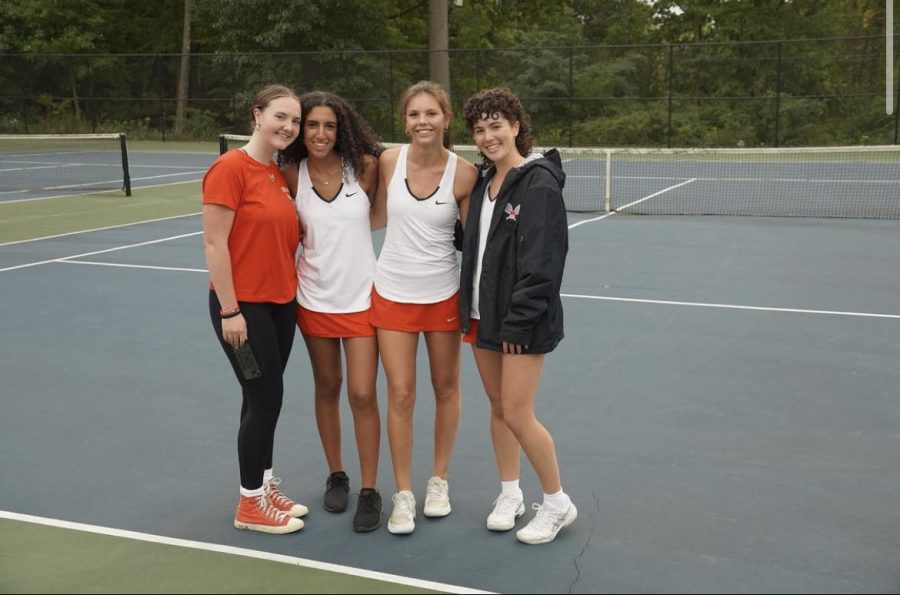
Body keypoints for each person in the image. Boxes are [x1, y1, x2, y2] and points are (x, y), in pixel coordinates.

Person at [459, 88, 576, 544]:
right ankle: (510, 493)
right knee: (498, 409)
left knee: (517, 412)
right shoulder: (484, 182)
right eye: (480, 128)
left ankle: (556, 503)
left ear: (515, 126)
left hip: (521, 321)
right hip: (481, 314)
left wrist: (519, 321)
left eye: (496, 125)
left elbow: (545, 262)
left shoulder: (539, 183)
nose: (488, 136)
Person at [370, 80, 478, 535]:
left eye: (431, 113)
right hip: (392, 294)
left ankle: (438, 481)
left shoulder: (466, 174)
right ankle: (403, 494)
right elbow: (371, 217)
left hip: (443, 298)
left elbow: (474, 246)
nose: (422, 122)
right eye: (414, 114)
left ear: (446, 119)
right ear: (405, 120)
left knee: (446, 388)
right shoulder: (389, 161)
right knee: (400, 394)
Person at [202, 84, 306, 535]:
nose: (289, 127)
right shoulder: (230, 168)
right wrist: (230, 311)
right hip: (242, 309)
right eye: (280, 117)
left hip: (282, 306)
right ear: (257, 115)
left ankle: (262, 485)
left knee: (262, 399)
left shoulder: (277, 174)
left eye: (295, 121)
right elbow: (213, 242)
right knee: (265, 399)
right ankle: (249, 506)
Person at [280, 91, 384, 533]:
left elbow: (379, 216)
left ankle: (370, 490)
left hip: (362, 299)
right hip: (313, 299)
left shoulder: (364, 167)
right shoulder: (289, 174)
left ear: (342, 128)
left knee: (362, 393)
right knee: (328, 386)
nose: (321, 134)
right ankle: (337, 475)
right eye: (312, 125)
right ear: (301, 131)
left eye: (329, 125)